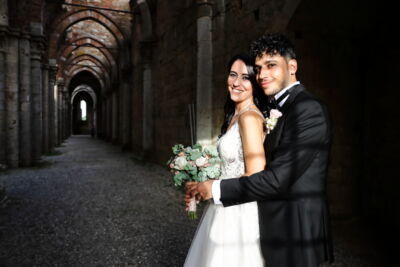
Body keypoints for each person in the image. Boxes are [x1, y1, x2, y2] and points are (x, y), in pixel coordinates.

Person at [186, 33, 334, 267]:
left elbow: (277, 179)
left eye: (271, 65)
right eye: (259, 68)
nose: (262, 74)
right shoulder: (278, 107)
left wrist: (215, 189)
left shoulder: (308, 109)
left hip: (293, 229)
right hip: (269, 221)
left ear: (292, 66)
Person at [183, 53, 268, 267]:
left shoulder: (249, 117)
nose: (236, 82)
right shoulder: (235, 116)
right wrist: (202, 188)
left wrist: (214, 188)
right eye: (232, 75)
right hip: (223, 205)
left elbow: (256, 174)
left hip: (240, 212)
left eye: (245, 77)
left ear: (255, 83)